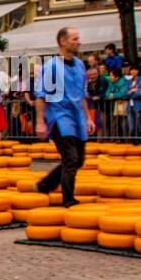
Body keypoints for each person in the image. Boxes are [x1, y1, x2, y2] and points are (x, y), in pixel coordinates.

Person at [35, 26, 94, 207]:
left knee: (79, 159)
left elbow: (82, 93)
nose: (78, 42)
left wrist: (88, 118)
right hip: (60, 118)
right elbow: (41, 95)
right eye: (74, 39)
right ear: (63, 41)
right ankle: (68, 199)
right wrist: (40, 122)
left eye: (78, 38)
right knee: (71, 159)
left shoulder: (79, 65)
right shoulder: (52, 66)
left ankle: (45, 184)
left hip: (77, 118)